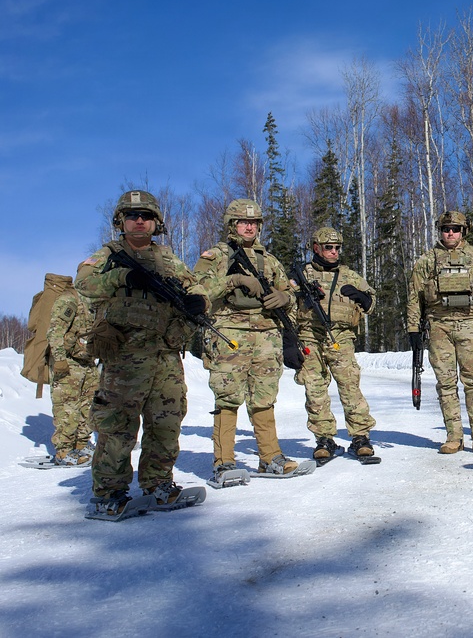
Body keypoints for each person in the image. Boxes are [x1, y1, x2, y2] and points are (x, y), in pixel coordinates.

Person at [76, 189, 210, 515]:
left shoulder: (167, 258)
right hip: (124, 351)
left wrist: (198, 300)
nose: (139, 221)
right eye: (132, 216)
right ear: (120, 221)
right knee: (118, 426)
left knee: (166, 422)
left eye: (146, 216)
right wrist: (124, 275)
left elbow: (195, 286)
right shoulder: (108, 254)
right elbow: (84, 283)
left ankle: (159, 483)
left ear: (156, 223)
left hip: (165, 352)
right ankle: (110, 492)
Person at [194, 198, 300, 482]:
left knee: (264, 398)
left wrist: (285, 298)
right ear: (232, 225)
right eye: (243, 222)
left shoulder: (269, 259)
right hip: (230, 336)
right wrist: (233, 281)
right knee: (228, 399)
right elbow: (196, 292)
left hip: (267, 337)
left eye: (253, 223)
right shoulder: (215, 256)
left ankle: (270, 458)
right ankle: (224, 462)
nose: (249, 227)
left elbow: (290, 295)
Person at [406, 211, 473, 455]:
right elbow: (414, 296)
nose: (450, 233)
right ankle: (454, 437)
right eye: (446, 229)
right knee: (446, 383)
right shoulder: (427, 260)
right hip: (438, 326)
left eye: (455, 229)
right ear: (440, 230)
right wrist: (413, 328)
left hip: (470, 323)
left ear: (463, 231)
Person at [292, 227, 378, 461]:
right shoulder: (303, 275)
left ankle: (360, 436)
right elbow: (287, 306)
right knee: (315, 389)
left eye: (337, 248)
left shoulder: (349, 275)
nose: (333, 252)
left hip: (342, 338)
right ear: (316, 248)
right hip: (310, 336)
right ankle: (324, 438)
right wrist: (289, 342)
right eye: (328, 247)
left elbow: (372, 303)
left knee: (350, 387)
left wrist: (362, 297)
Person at [46, 278, 99, 465]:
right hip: (68, 361)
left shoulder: (92, 302)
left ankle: (81, 445)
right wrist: (59, 359)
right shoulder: (69, 299)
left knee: (89, 404)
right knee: (68, 407)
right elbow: (54, 331)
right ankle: (64, 451)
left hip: (86, 360)